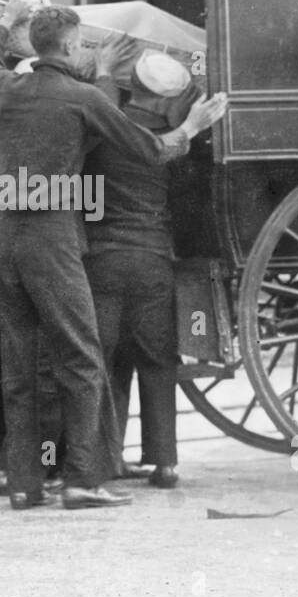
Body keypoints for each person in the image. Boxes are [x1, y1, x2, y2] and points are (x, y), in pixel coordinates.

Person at [0, 2, 227, 510]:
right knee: (83, 358)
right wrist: (194, 127)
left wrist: (6, 21)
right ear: (70, 46)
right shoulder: (83, 98)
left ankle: (24, 484)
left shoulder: (10, 90)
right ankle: (82, 480)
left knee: (19, 365)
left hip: (7, 237)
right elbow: (154, 150)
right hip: (53, 239)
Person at [84, 50, 198, 490]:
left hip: (102, 257)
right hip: (152, 258)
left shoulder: (103, 124)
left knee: (103, 360)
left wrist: (105, 73)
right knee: (156, 359)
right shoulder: (172, 140)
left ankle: (103, 458)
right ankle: (165, 462)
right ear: (167, 101)